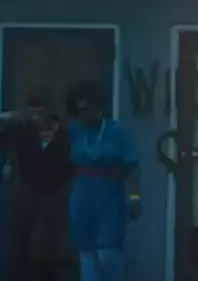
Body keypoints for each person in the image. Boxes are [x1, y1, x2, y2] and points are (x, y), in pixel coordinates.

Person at [0, 92, 73, 281]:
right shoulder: (20, 130)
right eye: (32, 112)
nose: (37, 117)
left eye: (41, 111)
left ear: (50, 112)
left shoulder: (65, 133)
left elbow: (75, 162)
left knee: (48, 249)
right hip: (26, 190)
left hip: (55, 194)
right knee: (20, 245)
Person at [64, 81, 142, 281]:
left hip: (109, 196)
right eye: (80, 109)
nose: (84, 113)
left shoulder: (116, 132)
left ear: (99, 106)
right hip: (82, 195)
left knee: (108, 254)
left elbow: (132, 168)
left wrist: (134, 198)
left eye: (88, 108)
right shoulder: (74, 132)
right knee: (86, 255)